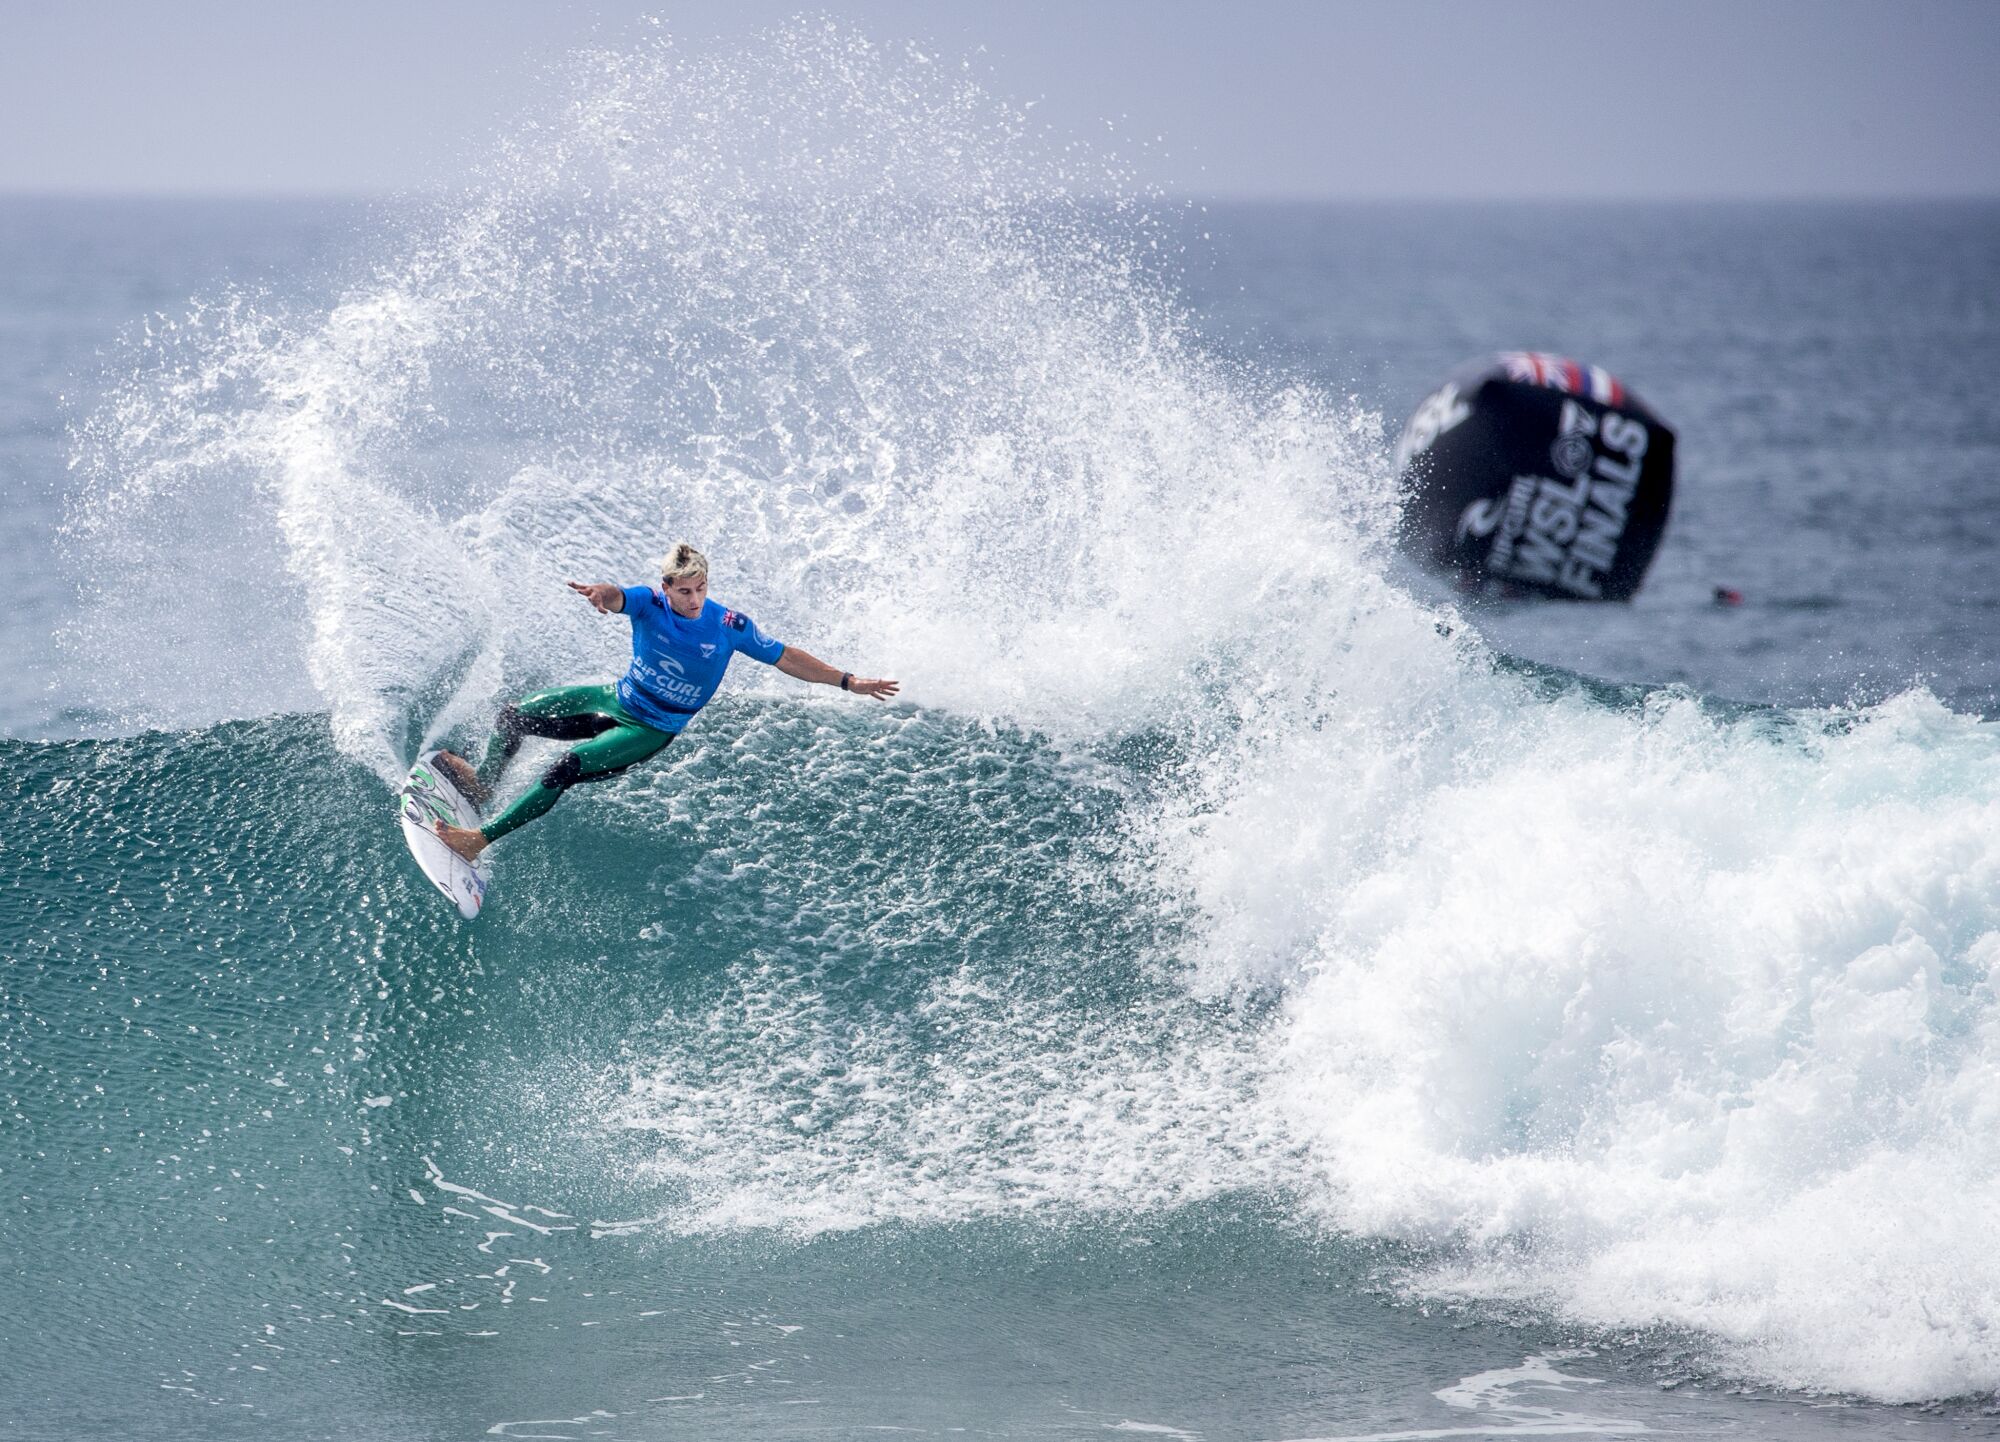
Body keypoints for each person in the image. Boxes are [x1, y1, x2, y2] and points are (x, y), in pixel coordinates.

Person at [431, 541, 897, 861]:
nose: (695, 600)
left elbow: (785, 657)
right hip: (615, 699)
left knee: (564, 769)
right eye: (685, 591)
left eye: (701, 589)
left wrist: (847, 681)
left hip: (649, 729)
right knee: (512, 716)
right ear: (667, 587)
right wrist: (601, 594)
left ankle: (478, 840)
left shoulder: (728, 626)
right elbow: (619, 597)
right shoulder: (649, 604)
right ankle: (483, 784)